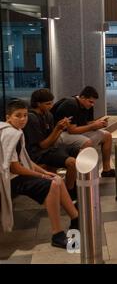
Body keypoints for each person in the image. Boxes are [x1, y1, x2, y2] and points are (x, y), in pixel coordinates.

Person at [0, 100, 78, 248]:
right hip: (9, 179)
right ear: (8, 117)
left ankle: (75, 218)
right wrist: (41, 176)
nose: (23, 119)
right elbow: (15, 169)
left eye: (25, 115)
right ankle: (57, 234)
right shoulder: (10, 134)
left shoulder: (15, 131)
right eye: (18, 116)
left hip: (16, 174)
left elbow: (26, 160)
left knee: (56, 178)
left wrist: (45, 172)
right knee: (52, 185)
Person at [23, 89, 79, 199]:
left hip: (50, 149)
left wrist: (60, 129)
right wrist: (57, 128)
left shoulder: (48, 115)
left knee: (80, 151)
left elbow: (52, 141)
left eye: (51, 103)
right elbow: (43, 145)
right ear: (38, 104)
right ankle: (69, 192)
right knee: (71, 162)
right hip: (37, 154)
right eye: (47, 103)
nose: (51, 106)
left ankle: (72, 185)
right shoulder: (32, 118)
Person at [53, 86, 115, 177]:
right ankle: (84, 174)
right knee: (87, 142)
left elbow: (88, 123)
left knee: (107, 136)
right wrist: (93, 126)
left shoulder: (88, 106)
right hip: (59, 133)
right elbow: (72, 130)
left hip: (74, 131)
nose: (92, 104)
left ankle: (106, 170)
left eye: (93, 102)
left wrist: (99, 124)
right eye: (90, 101)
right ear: (82, 97)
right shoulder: (71, 104)